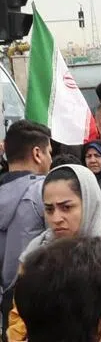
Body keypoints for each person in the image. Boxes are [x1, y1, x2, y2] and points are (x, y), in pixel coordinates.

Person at [8, 164, 101, 342]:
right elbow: (22, 311)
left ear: (89, 203)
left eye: (66, 207)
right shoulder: (36, 254)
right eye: (49, 209)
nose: (56, 218)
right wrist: (19, 339)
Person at [0, 119, 53, 298]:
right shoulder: (46, 190)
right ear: (37, 153)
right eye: (49, 153)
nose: (51, 160)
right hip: (40, 298)